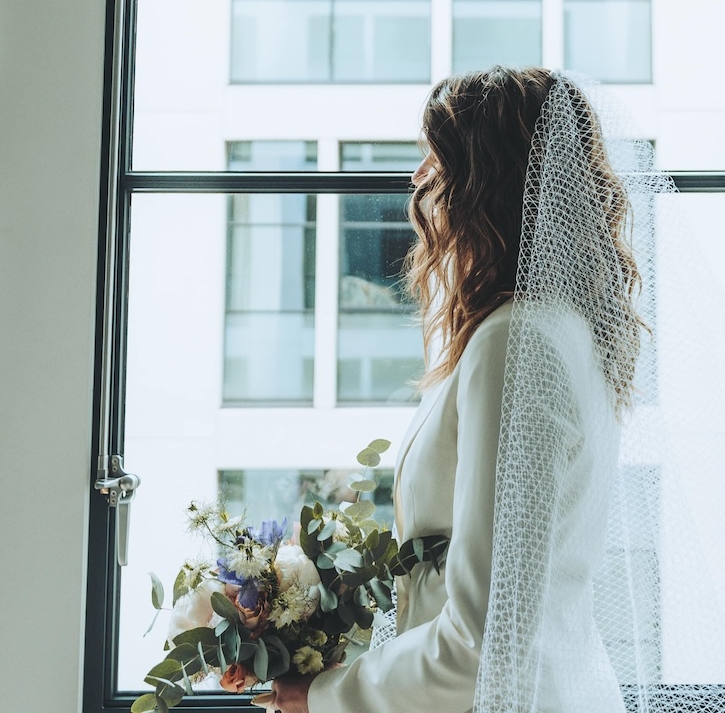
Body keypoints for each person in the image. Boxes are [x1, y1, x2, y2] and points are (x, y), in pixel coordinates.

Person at [256, 66, 645, 713]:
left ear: (482, 181)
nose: (416, 181)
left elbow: (478, 642)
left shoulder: (514, 340)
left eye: (433, 160)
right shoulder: (565, 331)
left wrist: (324, 696)